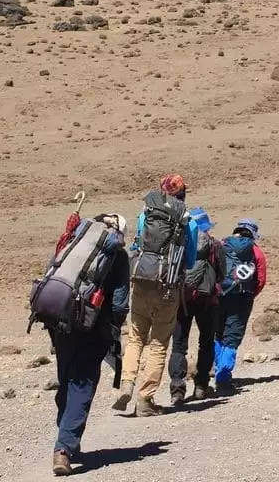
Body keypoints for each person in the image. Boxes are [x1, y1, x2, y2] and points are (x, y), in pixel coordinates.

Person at [50, 213, 131, 476]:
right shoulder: (117, 255)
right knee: (82, 385)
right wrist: (115, 328)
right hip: (94, 327)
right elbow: (119, 302)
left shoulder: (73, 241)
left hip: (61, 321)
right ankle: (64, 448)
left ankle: (67, 433)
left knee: (66, 378)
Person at [113, 174, 198, 416]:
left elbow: (138, 244)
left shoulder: (146, 214)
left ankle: (126, 384)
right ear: (182, 195)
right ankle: (145, 399)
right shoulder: (188, 222)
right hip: (168, 287)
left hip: (141, 280)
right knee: (159, 344)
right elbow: (190, 261)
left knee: (136, 337)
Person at [168, 207, 225, 405]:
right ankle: (201, 386)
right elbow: (222, 273)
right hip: (208, 300)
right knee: (206, 342)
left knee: (178, 346)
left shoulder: (179, 244)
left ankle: (177, 390)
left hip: (182, 301)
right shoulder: (215, 244)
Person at [214, 218, 267, 395]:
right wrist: (250, 294)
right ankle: (223, 375)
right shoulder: (256, 251)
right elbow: (260, 280)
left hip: (221, 295)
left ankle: (217, 368)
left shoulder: (222, 244)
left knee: (219, 333)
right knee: (233, 335)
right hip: (242, 297)